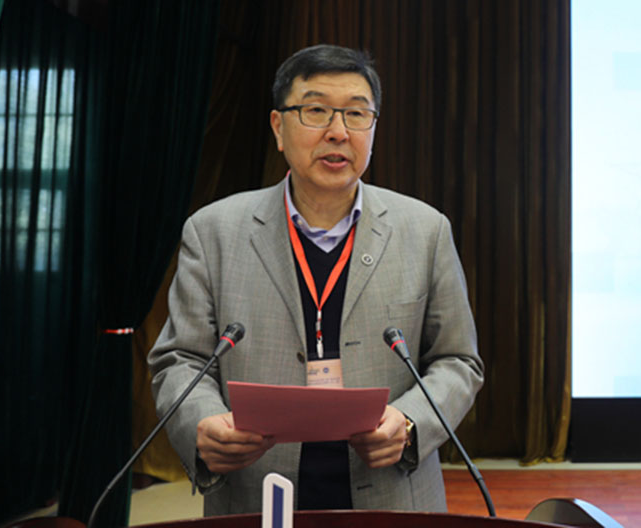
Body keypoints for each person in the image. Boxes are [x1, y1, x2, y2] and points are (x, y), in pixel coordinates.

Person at [148, 44, 483, 516]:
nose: (338, 132)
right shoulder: (214, 231)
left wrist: (411, 423)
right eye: (316, 111)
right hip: (256, 493)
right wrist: (204, 423)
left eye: (356, 114)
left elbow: (458, 360)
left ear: (373, 128)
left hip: (391, 497)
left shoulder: (425, 231)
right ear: (278, 127)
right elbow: (181, 358)